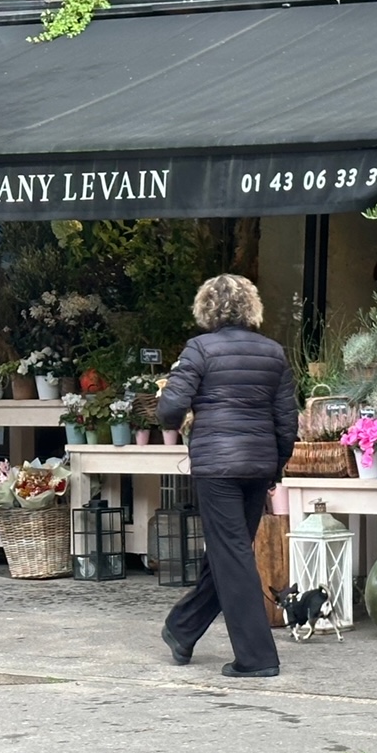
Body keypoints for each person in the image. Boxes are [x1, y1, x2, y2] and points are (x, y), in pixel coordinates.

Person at [157, 274, 298, 678]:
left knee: (231, 554)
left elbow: (169, 410)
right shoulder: (273, 353)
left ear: (206, 308)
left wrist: (183, 411)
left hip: (216, 467)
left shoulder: (199, 349)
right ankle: (181, 629)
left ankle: (257, 658)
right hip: (258, 466)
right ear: (251, 306)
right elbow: (286, 419)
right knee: (229, 552)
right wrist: (277, 466)